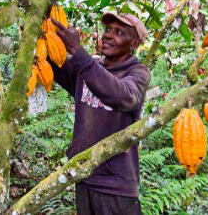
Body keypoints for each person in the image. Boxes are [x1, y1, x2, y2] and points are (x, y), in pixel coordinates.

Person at [50, 12, 151, 215]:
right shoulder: (90, 67)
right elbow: (56, 66)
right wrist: (43, 36)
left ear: (133, 44)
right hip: (84, 174)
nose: (108, 35)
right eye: (107, 30)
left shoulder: (138, 73)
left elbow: (123, 96)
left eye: (119, 32)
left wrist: (79, 52)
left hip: (116, 185)